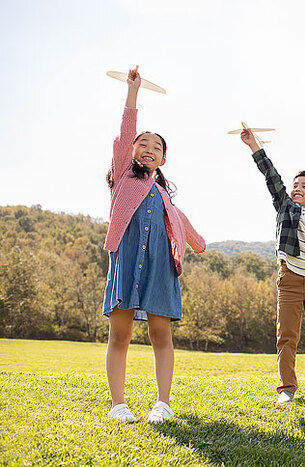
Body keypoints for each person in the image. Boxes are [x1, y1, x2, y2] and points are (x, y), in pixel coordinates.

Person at [103, 68, 206, 422]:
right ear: (130, 152)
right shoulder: (124, 178)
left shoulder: (166, 197)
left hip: (161, 268)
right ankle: (119, 405)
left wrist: (198, 242)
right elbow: (126, 130)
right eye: (143, 144)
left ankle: (163, 403)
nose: (148, 149)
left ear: (164, 159)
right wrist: (132, 93)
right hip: (126, 260)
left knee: (161, 333)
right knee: (121, 334)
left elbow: (189, 232)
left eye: (156, 147)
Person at [240, 130, 305, 404]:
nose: (297, 188)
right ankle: (286, 389)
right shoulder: (285, 206)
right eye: (295, 184)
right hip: (290, 280)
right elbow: (271, 176)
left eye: (304, 186)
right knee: (287, 336)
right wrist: (254, 146)